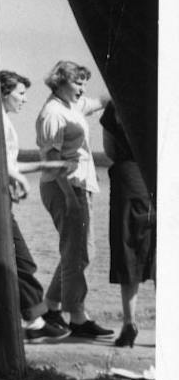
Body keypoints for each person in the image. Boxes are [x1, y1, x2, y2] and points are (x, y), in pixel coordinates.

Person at [34, 59, 111, 339]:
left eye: (83, 83)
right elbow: (53, 160)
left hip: (79, 185)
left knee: (76, 251)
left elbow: (98, 102)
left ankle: (50, 306)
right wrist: (69, 197)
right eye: (77, 82)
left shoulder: (72, 105)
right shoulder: (53, 113)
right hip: (65, 186)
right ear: (60, 82)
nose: (81, 88)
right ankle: (77, 316)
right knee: (79, 251)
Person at [0, 70, 67, 342]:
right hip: (0, 203)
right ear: (5, 93)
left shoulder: (3, 120)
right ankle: (35, 322)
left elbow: (10, 165)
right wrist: (18, 180)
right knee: (22, 260)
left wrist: (44, 165)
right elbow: (0, 163)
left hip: (4, 201)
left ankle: (34, 319)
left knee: (20, 261)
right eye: (21, 93)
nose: (25, 100)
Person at [100, 99, 154, 349]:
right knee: (161, 257)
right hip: (158, 178)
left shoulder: (116, 104)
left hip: (128, 181)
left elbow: (110, 150)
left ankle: (129, 324)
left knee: (128, 251)